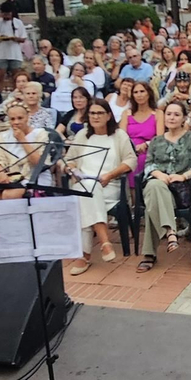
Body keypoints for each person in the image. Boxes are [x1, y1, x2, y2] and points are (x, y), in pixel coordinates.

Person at [135, 101, 191, 273]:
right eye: (169, 114)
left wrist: (183, 176)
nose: (172, 117)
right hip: (158, 183)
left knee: (152, 202)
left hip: (181, 190)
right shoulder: (156, 140)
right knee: (155, 186)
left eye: (176, 114)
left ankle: (150, 253)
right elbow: (148, 164)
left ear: (184, 118)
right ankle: (170, 232)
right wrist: (159, 174)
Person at [63, 100, 134, 277]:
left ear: (108, 115)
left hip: (110, 185)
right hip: (85, 184)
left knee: (85, 195)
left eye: (99, 113)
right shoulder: (82, 135)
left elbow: (130, 161)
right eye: (92, 113)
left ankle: (85, 255)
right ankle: (104, 242)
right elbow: (68, 159)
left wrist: (110, 175)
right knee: (86, 190)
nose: (95, 117)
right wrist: (71, 168)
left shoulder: (119, 136)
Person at [0, 103, 49, 202]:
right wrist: (0, 174)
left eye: (20, 118)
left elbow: (39, 163)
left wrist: (22, 139)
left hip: (32, 176)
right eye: (12, 119)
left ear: (27, 117)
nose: (16, 122)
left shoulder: (40, 134)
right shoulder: (3, 136)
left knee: (9, 194)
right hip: (12, 178)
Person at [121, 81, 162, 183]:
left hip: (149, 151)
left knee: (142, 159)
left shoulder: (158, 113)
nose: (139, 95)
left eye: (142, 91)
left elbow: (160, 138)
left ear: (148, 93)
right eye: (136, 92)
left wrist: (146, 145)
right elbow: (121, 136)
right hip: (129, 151)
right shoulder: (126, 114)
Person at [0, 4, 27, 90]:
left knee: (16, 77)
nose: (6, 16)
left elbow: (23, 38)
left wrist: (14, 39)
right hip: (2, 54)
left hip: (15, 54)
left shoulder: (18, 22)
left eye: (8, 14)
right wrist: (1, 38)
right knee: (1, 76)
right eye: (4, 14)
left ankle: (17, 93)